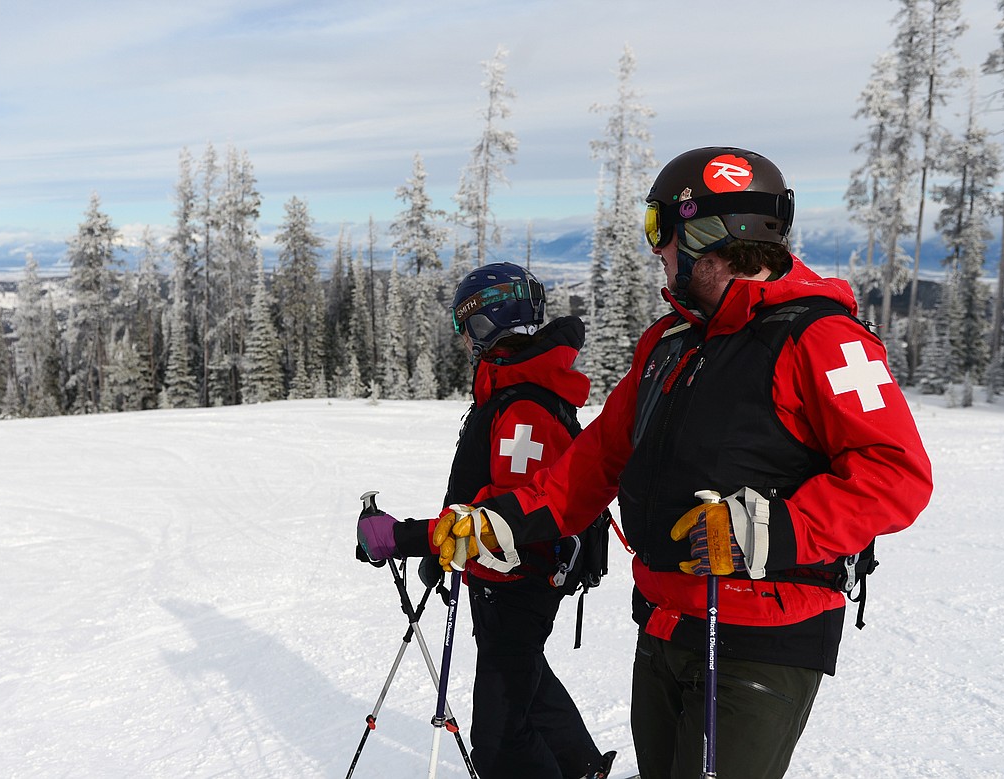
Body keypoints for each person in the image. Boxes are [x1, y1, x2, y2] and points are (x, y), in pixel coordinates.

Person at [369, 147, 934, 778]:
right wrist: (496, 520)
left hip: (758, 635)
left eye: (658, 230)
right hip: (665, 623)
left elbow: (896, 474)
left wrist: (773, 527)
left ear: (707, 234)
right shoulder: (669, 343)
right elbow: (587, 466)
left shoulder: (819, 338)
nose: (656, 251)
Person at [357, 261, 616, 779]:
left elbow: (505, 519)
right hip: (506, 576)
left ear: (492, 325)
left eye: (469, 327)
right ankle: (580, 765)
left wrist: (402, 537)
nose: (466, 342)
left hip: (519, 580)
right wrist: (439, 550)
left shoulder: (523, 408)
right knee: (523, 676)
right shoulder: (510, 392)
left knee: (500, 742)